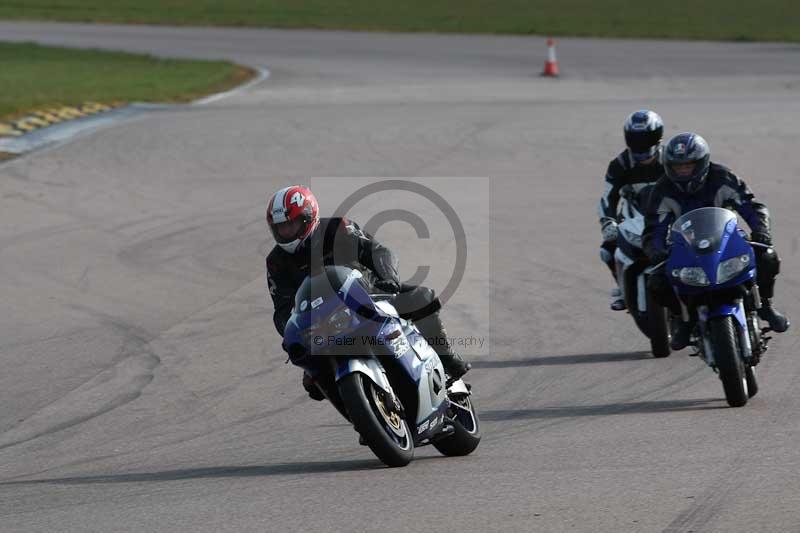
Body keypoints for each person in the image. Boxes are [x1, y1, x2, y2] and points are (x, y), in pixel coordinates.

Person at [265, 185, 470, 400]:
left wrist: (388, 278)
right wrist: (290, 332)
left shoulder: (336, 228)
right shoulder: (276, 262)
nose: (285, 232)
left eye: (291, 224)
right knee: (313, 384)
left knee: (421, 298)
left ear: (308, 218)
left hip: (368, 295)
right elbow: (282, 309)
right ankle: (360, 410)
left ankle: (446, 359)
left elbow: (377, 251)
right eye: (280, 227)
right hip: (324, 322)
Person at [643, 132, 790, 350]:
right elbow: (654, 228)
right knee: (656, 280)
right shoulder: (662, 189)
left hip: (726, 239)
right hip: (687, 247)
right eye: (677, 167)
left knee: (767, 256)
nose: (683, 171)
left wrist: (761, 231)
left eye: (688, 166)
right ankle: (683, 319)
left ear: (701, 163)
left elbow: (751, 206)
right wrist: (655, 250)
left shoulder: (722, 177)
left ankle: (765, 305)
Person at [598, 109, 666, 310]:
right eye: (636, 139)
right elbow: (608, 197)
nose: (641, 145)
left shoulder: (670, 159)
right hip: (634, 214)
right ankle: (622, 289)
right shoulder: (619, 164)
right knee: (607, 250)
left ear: (658, 137)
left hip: (667, 213)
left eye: (646, 138)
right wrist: (607, 222)